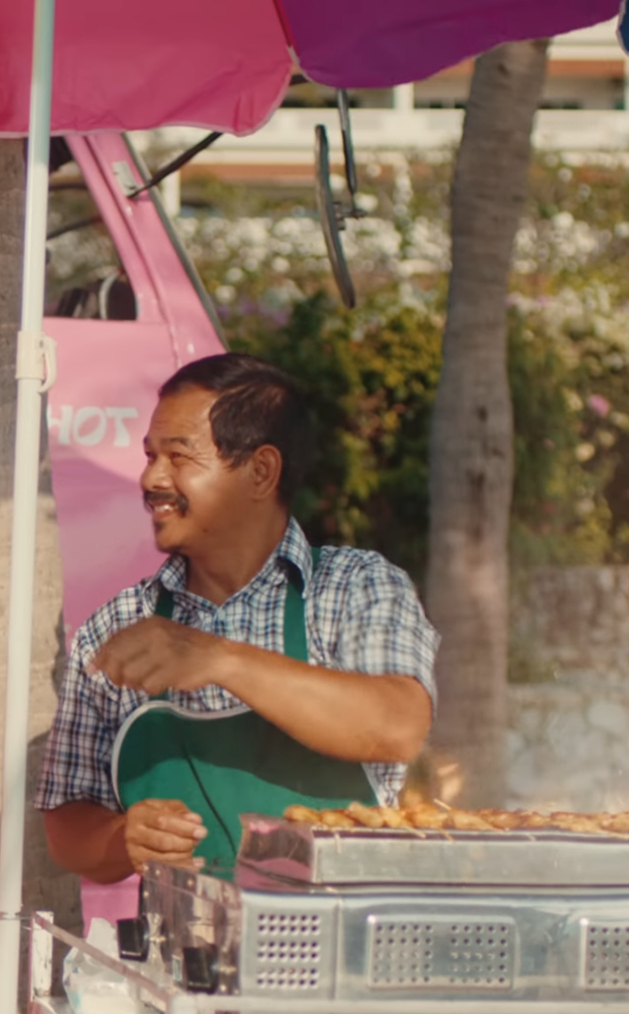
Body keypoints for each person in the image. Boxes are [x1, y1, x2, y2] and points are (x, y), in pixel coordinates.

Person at [37, 353, 439, 894]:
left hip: (342, 936)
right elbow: (66, 828)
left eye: (179, 456)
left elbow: (399, 726)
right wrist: (122, 837)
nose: (152, 478)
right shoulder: (118, 626)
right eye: (151, 455)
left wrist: (218, 658)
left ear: (261, 471)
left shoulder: (356, 587)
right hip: (181, 942)